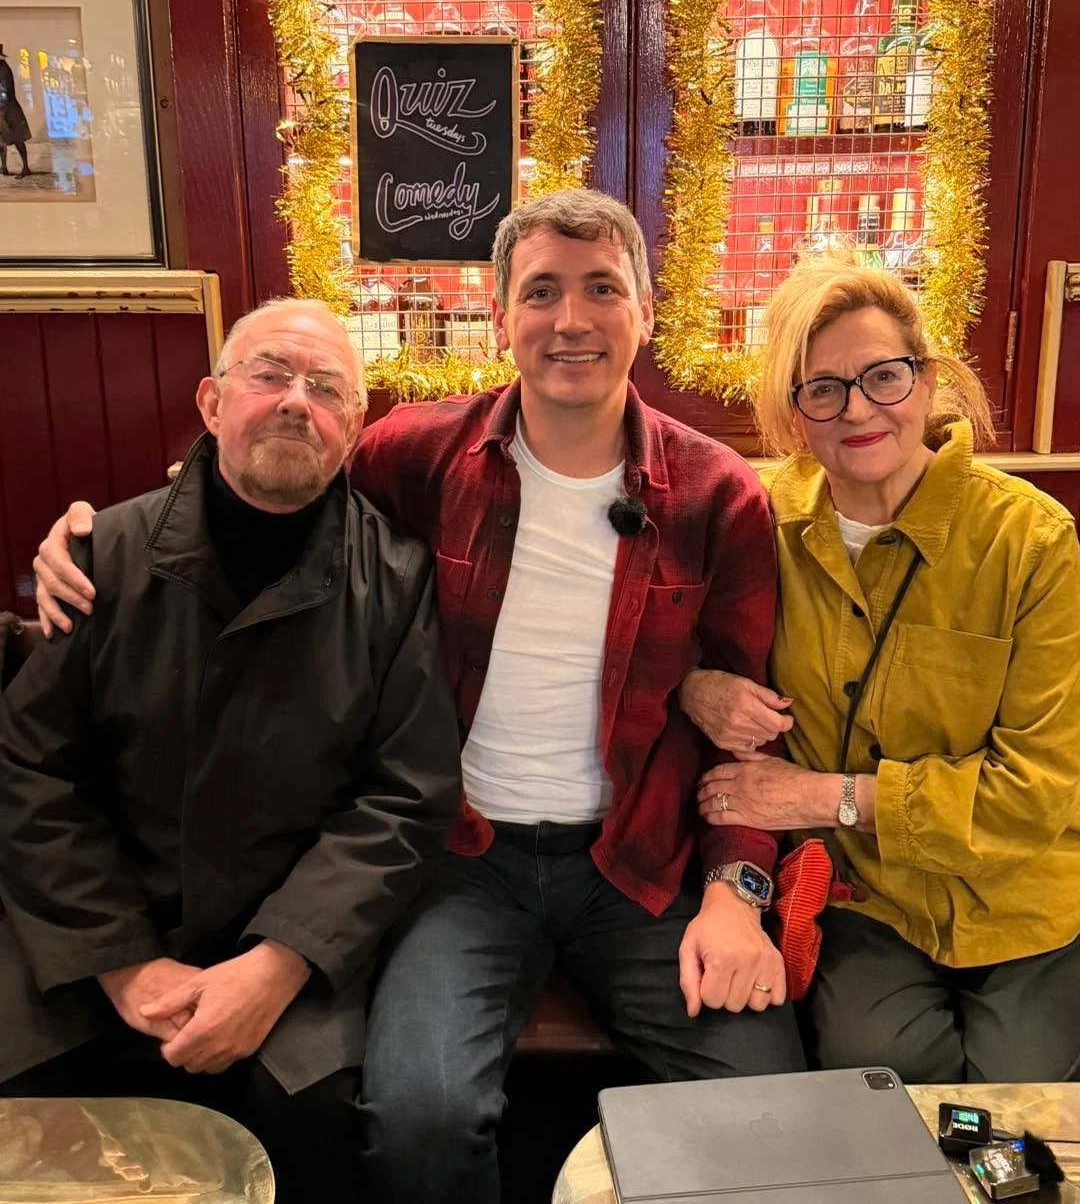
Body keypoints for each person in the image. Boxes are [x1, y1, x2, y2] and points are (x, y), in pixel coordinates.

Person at [33, 189, 806, 1204]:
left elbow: (749, 735)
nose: (570, 320)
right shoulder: (421, 454)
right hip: (461, 861)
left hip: (641, 866)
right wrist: (92, 535)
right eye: (540, 292)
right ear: (501, 321)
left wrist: (735, 893)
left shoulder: (717, 493)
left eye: (601, 289)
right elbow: (267, 481)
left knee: (776, 1117)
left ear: (646, 314)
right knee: (418, 1122)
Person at [1, 299, 461, 1202]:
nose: (297, 401)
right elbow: (33, 770)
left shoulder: (397, 580)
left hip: (292, 943)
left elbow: (404, 796)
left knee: (315, 1119)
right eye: (270, 374)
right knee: (34, 1112)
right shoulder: (103, 556)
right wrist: (122, 961)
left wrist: (276, 964)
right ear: (212, 403)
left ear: (355, 427)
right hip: (95, 932)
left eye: (326, 387)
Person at [681, 256, 1080, 1083]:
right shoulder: (759, 520)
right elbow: (664, 635)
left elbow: (1040, 790)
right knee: (882, 1076)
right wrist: (698, 684)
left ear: (927, 382)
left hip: (1023, 898)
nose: (858, 408)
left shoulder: (1034, 543)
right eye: (823, 387)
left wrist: (821, 795)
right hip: (871, 901)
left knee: (1022, 1094)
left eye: (883, 377)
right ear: (795, 415)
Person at [0, 42, 32, 178]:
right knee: (1, 138)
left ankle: (25, 167)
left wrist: (2, 109)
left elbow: (5, 90)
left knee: (18, 137)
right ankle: (3, 167)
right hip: (2, 108)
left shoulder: (3, 68)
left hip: (8, 109)